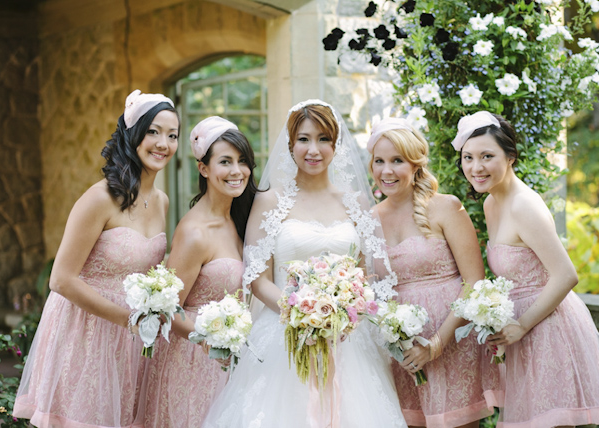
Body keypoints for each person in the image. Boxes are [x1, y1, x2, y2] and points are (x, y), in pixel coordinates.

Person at [202, 99, 407, 428]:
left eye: (324, 139)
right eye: (304, 139)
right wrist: (300, 313)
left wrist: (346, 309)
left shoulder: (354, 202)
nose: (314, 149)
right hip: (284, 333)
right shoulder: (270, 200)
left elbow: (371, 275)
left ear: (335, 145)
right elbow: (258, 276)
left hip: (348, 338)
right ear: (290, 144)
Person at [12, 89, 179, 428]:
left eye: (172, 135)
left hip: (129, 343)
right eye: (153, 132)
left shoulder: (161, 201)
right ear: (133, 135)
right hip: (84, 335)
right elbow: (60, 278)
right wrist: (127, 319)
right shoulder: (100, 197)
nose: (163, 143)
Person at [454, 110, 599, 428]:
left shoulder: (524, 205)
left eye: (487, 156)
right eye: (468, 157)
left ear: (510, 157)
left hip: (547, 329)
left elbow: (566, 274)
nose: (476, 167)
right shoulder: (491, 203)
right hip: (519, 333)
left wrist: (521, 325)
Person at [367, 118, 501, 428]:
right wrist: (397, 339)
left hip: (452, 345)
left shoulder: (445, 207)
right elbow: (371, 289)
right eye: (379, 161)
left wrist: (437, 344)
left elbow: (474, 283)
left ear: (415, 164)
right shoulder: (368, 219)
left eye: (397, 160)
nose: (387, 171)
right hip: (402, 353)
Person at [140, 117, 259, 427]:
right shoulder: (196, 233)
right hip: (194, 364)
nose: (237, 171)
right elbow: (166, 307)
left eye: (242, 160)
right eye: (225, 162)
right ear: (203, 168)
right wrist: (209, 340)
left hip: (231, 363)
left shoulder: (240, 218)